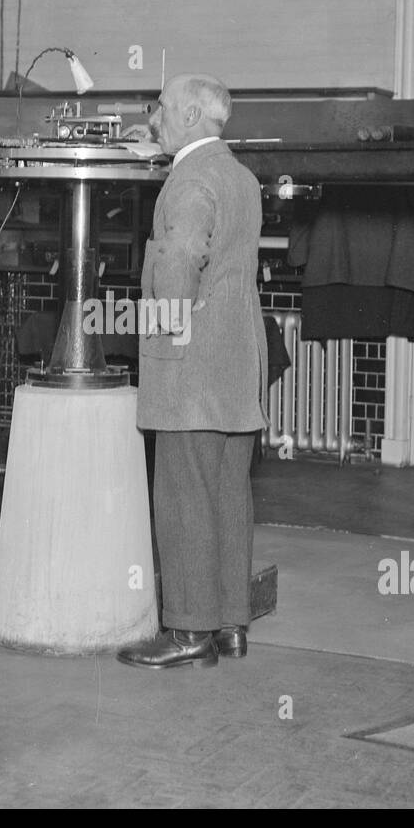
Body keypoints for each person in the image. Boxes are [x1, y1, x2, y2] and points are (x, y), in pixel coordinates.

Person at [117, 73, 269, 670]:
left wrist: (157, 335)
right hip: (237, 363)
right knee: (229, 494)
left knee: (183, 495)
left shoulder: (188, 182)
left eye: (159, 109)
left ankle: (186, 631)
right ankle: (230, 624)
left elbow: (179, 262)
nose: (152, 117)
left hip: (193, 365)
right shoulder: (239, 176)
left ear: (185, 117)